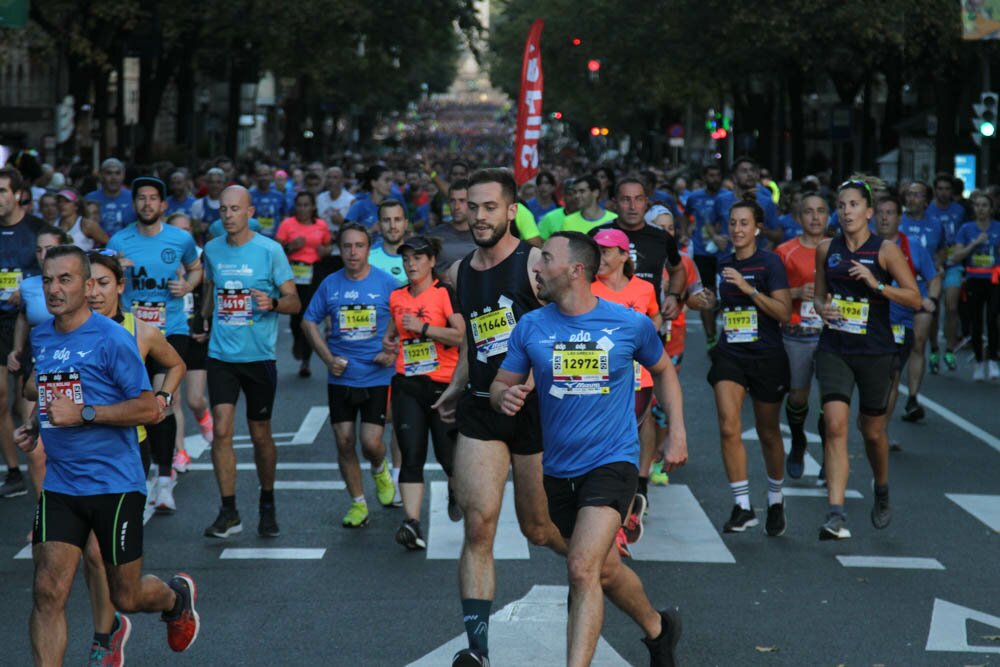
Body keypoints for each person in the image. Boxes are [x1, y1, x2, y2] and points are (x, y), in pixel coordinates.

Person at [491, 231, 687, 667]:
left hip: (612, 462)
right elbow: (501, 382)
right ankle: (658, 629)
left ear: (576, 270)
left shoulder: (627, 324)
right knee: (603, 569)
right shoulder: (531, 325)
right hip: (559, 469)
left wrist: (676, 432)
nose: (536, 267)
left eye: (545, 259)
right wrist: (501, 395)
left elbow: (664, 371)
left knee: (581, 568)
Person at [14, 245, 198, 664]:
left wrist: (85, 413)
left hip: (114, 484)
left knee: (126, 595)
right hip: (62, 483)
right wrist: (37, 424)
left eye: (65, 279)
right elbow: (53, 392)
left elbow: (150, 409)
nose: (54, 289)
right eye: (47, 280)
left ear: (85, 284)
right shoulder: (42, 337)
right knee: (46, 592)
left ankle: (174, 599)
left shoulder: (115, 338)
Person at [431, 168, 565, 667]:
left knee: (539, 528)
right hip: (482, 411)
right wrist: (457, 386)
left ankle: (601, 567)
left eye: (491, 207)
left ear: (512, 211)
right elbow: (477, 343)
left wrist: (530, 381)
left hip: (535, 415)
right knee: (479, 524)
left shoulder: (534, 264)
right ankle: (478, 651)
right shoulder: (461, 272)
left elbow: (569, 327)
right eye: (473, 206)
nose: (479, 216)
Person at [813, 179, 922, 540]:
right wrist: (822, 310)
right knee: (835, 426)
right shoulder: (826, 248)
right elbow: (818, 296)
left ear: (869, 212)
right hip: (835, 348)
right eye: (841, 206)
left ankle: (882, 487)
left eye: (854, 205)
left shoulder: (886, 250)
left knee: (872, 432)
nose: (846, 212)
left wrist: (876, 285)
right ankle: (836, 512)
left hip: (875, 351)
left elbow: (914, 299)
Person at [201, 185, 300, 539]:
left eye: (235, 209)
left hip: (259, 356)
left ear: (249, 212)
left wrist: (272, 304)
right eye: (223, 209)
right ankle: (228, 511)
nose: (228, 215)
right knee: (222, 430)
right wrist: (203, 321)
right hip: (221, 356)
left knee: (260, 434)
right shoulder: (212, 249)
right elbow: (210, 289)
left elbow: (294, 301)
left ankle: (267, 503)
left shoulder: (270, 251)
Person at [107, 176, 202, 512]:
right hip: (133, 332)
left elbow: (195, 268)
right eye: (141, 199)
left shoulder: (180, 238)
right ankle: (143, 474)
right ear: (134, 204)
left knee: (163, 402)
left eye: (153, 199)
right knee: (139, 402)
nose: (147, 204)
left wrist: (188, 286)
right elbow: (100, 277)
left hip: (171, 330)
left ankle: (164, 479)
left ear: (164, 205)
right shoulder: (119, 240)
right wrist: (116, 268)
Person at [301, 222, 398, 527]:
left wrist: (391, 352)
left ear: (369, 249)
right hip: (341, 376)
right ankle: (358, 503)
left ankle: (380, 467)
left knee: (370, 442)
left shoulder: (386, 284)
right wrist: (328, 359)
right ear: (339, 249)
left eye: (359, 246)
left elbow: (404, 323)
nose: (353, 252)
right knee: (343, 440)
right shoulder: (330, 284)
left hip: (377, 375)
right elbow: (308, 322)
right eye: (347, 246)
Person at [707, 198, 793, 534]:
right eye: (732, 223)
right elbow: (719, 302)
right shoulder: (722, 261)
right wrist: (707, 301)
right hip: (731, 353)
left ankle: (775, 499)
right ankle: (742, 505)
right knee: (729, 426)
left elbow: (783, 312)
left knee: (768, 431)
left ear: (757, 228)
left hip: (767, 355)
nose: (737, 229)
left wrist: (748, 289)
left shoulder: (770, 263)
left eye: (744, 223)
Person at [379, 235, 464, 549]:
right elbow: (395, 329)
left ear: (431, 262)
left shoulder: (444, 294)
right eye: (406, 259)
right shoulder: (398, 296)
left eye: (417, 258)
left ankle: (456, 490)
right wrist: (389, 343)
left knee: (448, 458)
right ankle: (412, 524)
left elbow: (460, 336)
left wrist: (425, 328)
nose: (411, 264)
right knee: (411, 455)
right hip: (408, 384)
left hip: (444, 386)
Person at [590, 228, 661, 555]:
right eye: (597, 252)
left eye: (606, 252)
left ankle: (618, 522)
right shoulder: (589, 288)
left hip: (636, 381)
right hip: (595, 380)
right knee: (603, 447)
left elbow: (656, 319)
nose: (601, 258)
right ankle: (616, 510)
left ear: (623, 255)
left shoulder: (643, 289)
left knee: (622, 447)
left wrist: (642, 340)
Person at [876, 195, 938, 449]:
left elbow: (933, 276)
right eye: (880, 212)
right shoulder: (860, 244)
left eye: (890, 212)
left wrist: (931, 298)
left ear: (899, 218)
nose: (885, 217)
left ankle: (881, 432)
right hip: (863, 324)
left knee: (891, 377)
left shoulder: (911, 247)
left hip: (898, 324)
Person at [0, 166, 45, 499]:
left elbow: (63, 264)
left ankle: (40, 462)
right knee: (0, 398)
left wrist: (31, 288)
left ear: (18, 194)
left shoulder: (39, 231)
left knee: (23, 401)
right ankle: (14, 471)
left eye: (2, 191)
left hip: (29, 324)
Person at [776, 193, 828, 479]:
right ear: (799, 217)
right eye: (809, 211)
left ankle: (829, 459)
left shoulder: (839, 249)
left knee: (832, 401)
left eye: (821, 211)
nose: (815, 217)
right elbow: (773, 292)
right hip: (797, 333)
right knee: (797, 398)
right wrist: (796, 293)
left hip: (831, 333)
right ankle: (798, 442)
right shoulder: (785, 252)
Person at [165, 212, 214, 472]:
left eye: (187, 229)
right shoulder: (159, 256)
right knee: (172, 399)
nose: (182, 235)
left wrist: (204, 322)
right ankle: (180, 451)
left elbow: (210, 291)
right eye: (176, 230)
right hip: (170, 334)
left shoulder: (200, 256)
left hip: (195, 334)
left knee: (195, 399)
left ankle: (205, 418)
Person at [274, 191, 333, 377]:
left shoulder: (321, 225)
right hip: (292, 273)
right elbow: (276, 250)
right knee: (294, 315)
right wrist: (291, 246)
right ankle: (297, 339)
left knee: (309, 314)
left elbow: (328, 245)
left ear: (313, 207)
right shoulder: (287, 224)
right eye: (300, 205)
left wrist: (325, 250)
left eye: (307, 205)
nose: (303, 208)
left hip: (313, 272)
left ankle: (306, 359)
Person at [950, 191, 1000, 380]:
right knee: (976, 321)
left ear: (991, 209)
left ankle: (993, 360)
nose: (980, 209)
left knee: (993, 318)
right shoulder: (966, 229)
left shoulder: (998, 228)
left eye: (984, 205)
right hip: (973, 278)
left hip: (994, 279)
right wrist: (974, 244)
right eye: (977, 205)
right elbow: (956, 256)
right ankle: (979, 362)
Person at [899, 181, 946, 375]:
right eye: (909, 194)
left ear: (926, 200)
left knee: (918, 341)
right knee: (897, 339)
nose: (912, 198)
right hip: (898, 286)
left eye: (917, 194)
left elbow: (943, 250)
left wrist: (938, 265)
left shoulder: (935, 224)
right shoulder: (897, 221)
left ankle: (912, 394)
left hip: (925, 285)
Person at [927, 174, 967, 372]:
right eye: (940, 188)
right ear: (935, 190)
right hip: (933, 265)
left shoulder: (959, 211)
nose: (943, 192)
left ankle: (950, 349)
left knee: (952, 306)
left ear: (952, 191)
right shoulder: (929, 210)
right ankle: (934, 348)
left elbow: (966, 234)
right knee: (933, 310)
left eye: (947, 188)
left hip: (954, 264)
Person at [685, 165, 728, 347]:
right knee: (706, 294)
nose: (715, 178)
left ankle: (726, 335)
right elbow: (686, 217)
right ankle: (710, 336)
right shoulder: (694, 197)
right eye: (711, 175)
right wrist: (686, 232)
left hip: (725, 253)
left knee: (724, 295)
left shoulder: (728, 197)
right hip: (702, 254)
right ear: (704, 177)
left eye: (718, 175)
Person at [428, 180, 478, 271]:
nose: (456, 207)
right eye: (452, 201)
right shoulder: (434, 236)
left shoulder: (482, 234)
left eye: (462, 201)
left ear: (472, 203)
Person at [85, 158, 135, 236]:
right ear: (101, 175)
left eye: (117, 173)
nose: (114, 177)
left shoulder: (134, 198)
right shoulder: (90, 198)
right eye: (109, 173)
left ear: (123, 175)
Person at [369, 199, 409, 286]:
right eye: (386, 220)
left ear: (406, 224)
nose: (392, 226)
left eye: (397, 219)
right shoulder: (367, 257)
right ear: (379, 225)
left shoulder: (418, 258)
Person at [346, 164, 394, 229]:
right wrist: (371, 231)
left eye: (391, 181)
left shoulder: (392, 206)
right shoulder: (359, 206)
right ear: (373, 183)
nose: (391, 184)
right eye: (386, 180)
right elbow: (345, 233)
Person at [249, 164, 287, 238]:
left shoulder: (279, 196)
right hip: (254, 240)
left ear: (271, 177)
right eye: (260, 175)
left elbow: (285, 217)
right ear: (256, 177)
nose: (263, 178)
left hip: (274, 240)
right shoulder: (249, 195)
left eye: (266, 175)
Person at [191, 167, 226, 236]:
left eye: (218, 182)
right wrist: (199, 229)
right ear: (206, 184)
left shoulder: (231, 203)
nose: (215, 185)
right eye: (211, 182)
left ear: (224, 184)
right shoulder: (198, 204)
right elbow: (193, 232)